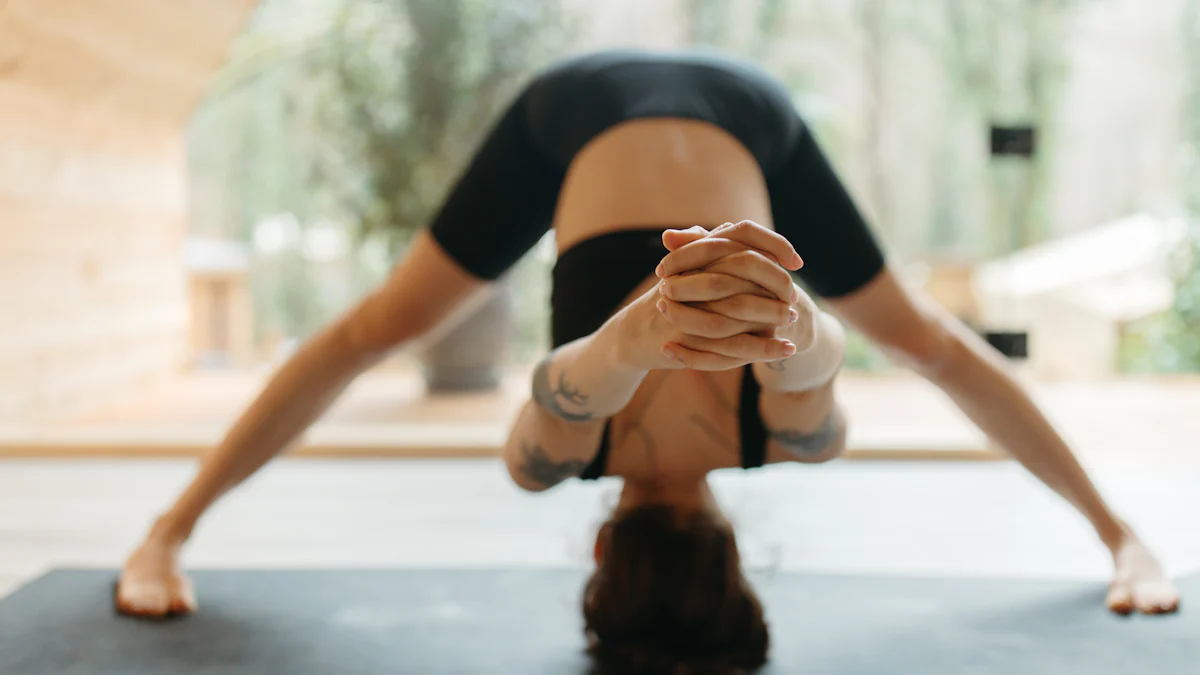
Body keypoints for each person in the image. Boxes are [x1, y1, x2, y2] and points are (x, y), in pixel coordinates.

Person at [116, 49, 1179, 672]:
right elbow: (815, 376)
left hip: (568, 121)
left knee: (374, 330)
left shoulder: (581, 454)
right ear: (594, 563)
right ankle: (162, 536)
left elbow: (564, 389)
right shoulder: (738, 442)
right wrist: (786, 323)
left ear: (738, 561)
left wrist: (656, 326)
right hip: (749, 126)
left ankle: (169, 529)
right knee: (922, 343)